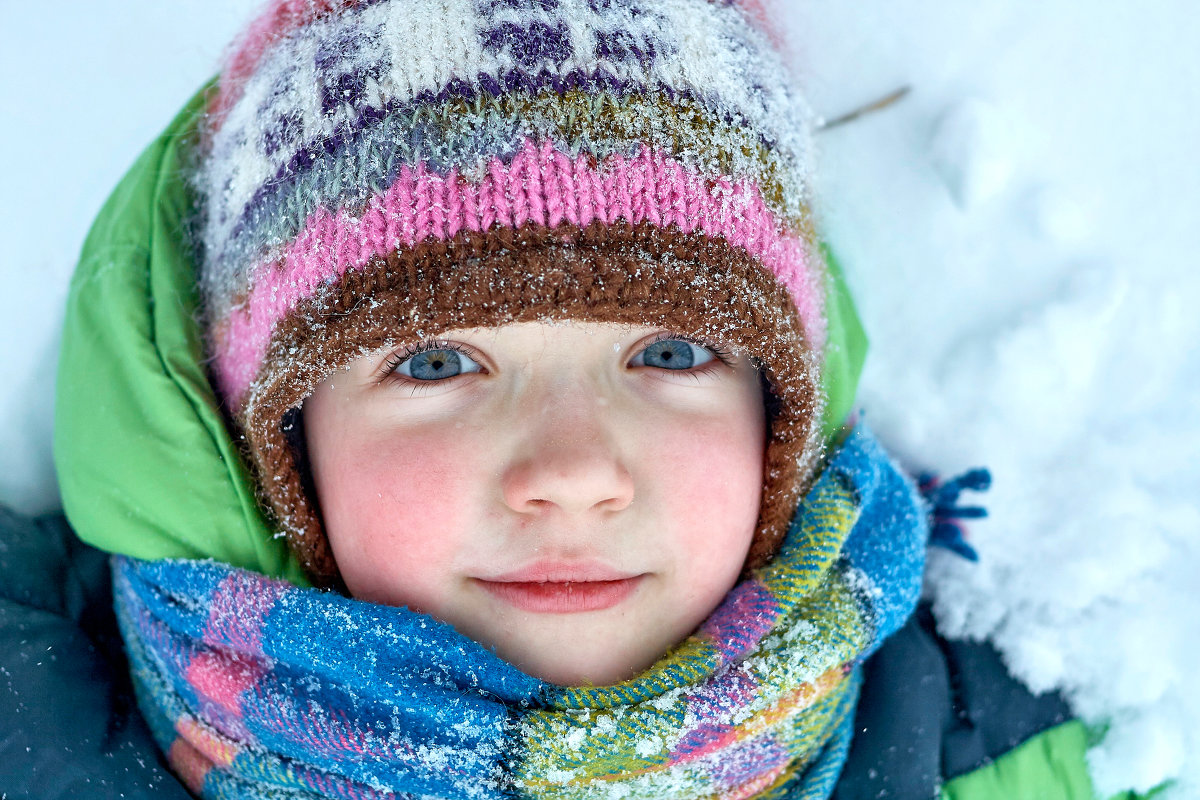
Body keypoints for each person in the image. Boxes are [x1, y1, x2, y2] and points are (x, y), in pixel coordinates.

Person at [1, 1, 1139, 798]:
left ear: (779, 419)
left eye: (674, 352)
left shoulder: (1059, 742)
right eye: (437, 362)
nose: (574, 469)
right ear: (278, 449)